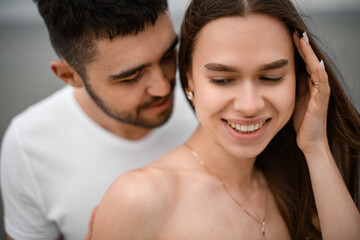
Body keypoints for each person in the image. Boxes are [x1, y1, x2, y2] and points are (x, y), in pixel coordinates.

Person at [90, 0, 360, 239]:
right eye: (222, 80)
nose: (249, 105)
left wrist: (316, 147)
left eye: (271, 77)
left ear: (301, 79)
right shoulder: (139, 198)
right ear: (189, 78)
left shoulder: (298, 181)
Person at [0, 0, 198, 239]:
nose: (163, 87)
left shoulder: (212, 103)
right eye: (131, 77)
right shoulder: (28, 145)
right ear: (69, 76)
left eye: (168, 55)